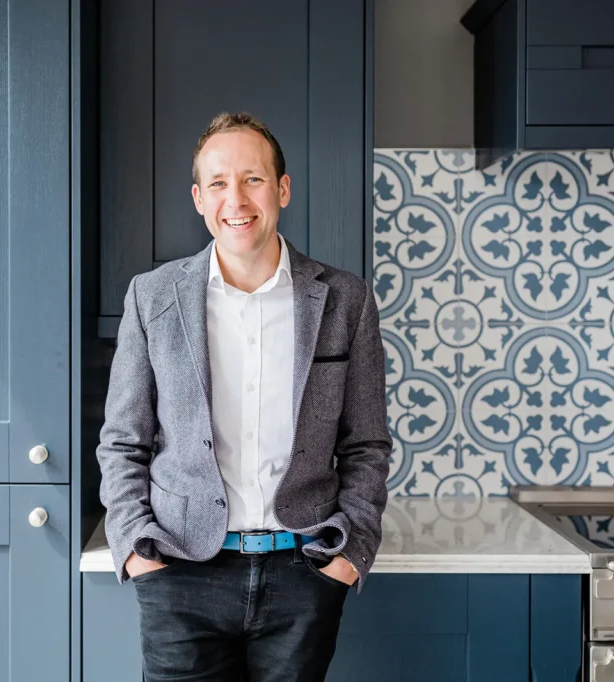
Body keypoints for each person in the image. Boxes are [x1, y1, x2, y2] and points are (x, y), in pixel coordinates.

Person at [96, 111, 392, 682]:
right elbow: (123, 443)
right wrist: (137, 549)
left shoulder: (346, 300)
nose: (237, 197)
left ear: (282, 188)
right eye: (218, 183)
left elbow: (367, 444)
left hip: (303, 572)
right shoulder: (152, 297)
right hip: (180, 574)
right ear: (199, 199)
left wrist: (349, 556)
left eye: (253, 178)